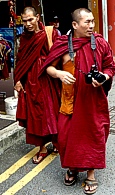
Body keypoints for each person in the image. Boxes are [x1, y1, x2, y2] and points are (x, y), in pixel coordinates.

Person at [39, 8, 115, 195]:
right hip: (69, 103)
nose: (91, 26)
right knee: (66, 138)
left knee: (93, 136)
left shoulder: (100, 43)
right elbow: (47, 67)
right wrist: (59, 73)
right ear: (75, 25)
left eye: (92, 22)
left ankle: (90, 173)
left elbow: (110, 66)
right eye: (87, 22)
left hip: (93, 102)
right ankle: (73, 168)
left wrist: (104, 77)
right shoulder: (62, 44)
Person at [14, 7, 59, 164]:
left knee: (53, 111)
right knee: (35, 115)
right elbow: (20, 60)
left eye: (30, 20)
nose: (28, 24)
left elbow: (58, 54)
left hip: (49, 79)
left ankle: (56, 142)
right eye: (25, 21)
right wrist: (18, 80)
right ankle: (42, 148)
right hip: (31, 82)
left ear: (37, 17)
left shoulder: (49, 32)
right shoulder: (24, 37)